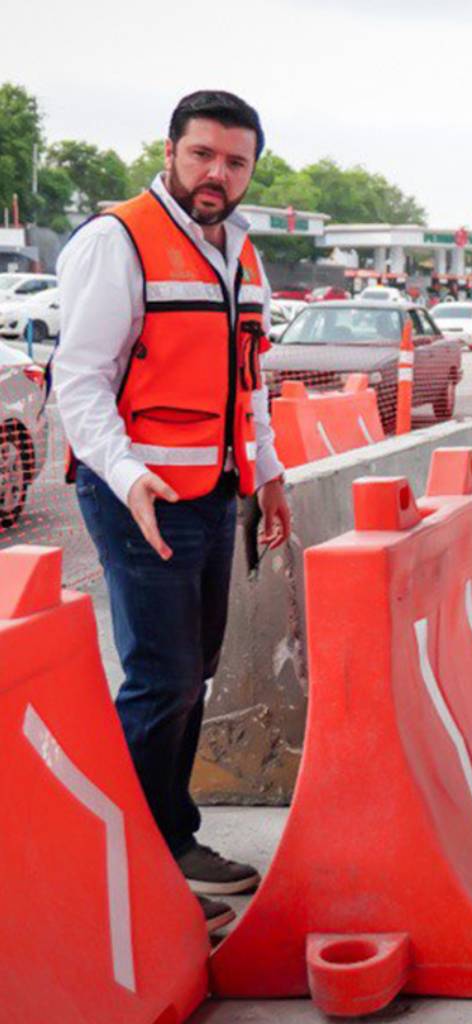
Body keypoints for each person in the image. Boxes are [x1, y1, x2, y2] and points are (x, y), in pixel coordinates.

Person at [55, 90, 291, 932]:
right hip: (136, 499)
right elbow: (77, 382)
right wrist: (127, 476)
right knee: (159, 678)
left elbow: (248, 378)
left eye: (234, 162)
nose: (216, 174)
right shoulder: (118, 240)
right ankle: (127, 863)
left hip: (212, 493)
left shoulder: (242, 254)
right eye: (202, 156)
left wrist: (269, 472)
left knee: (192, 675)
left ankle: (172, 837)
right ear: (171, 151)